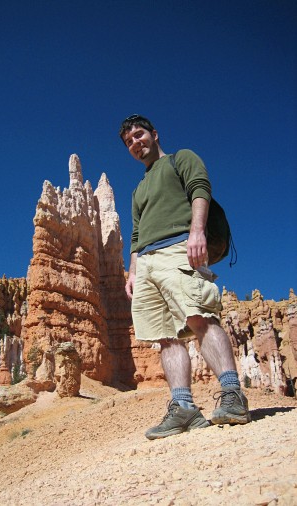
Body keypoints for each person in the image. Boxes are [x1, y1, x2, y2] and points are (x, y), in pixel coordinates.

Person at [119, 114, 251, 440]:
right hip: (147, 262)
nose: (136, 143)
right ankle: (184, 409)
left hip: (179, 246)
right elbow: (136, 235)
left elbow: (200, 189)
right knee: (165, 336)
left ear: (154, 134)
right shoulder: (138, 190)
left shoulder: (181, 159)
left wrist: (196, 232)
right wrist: (133, 270)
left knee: (199, 315)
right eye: (129, 142)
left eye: (139, 135)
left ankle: (233, 394)